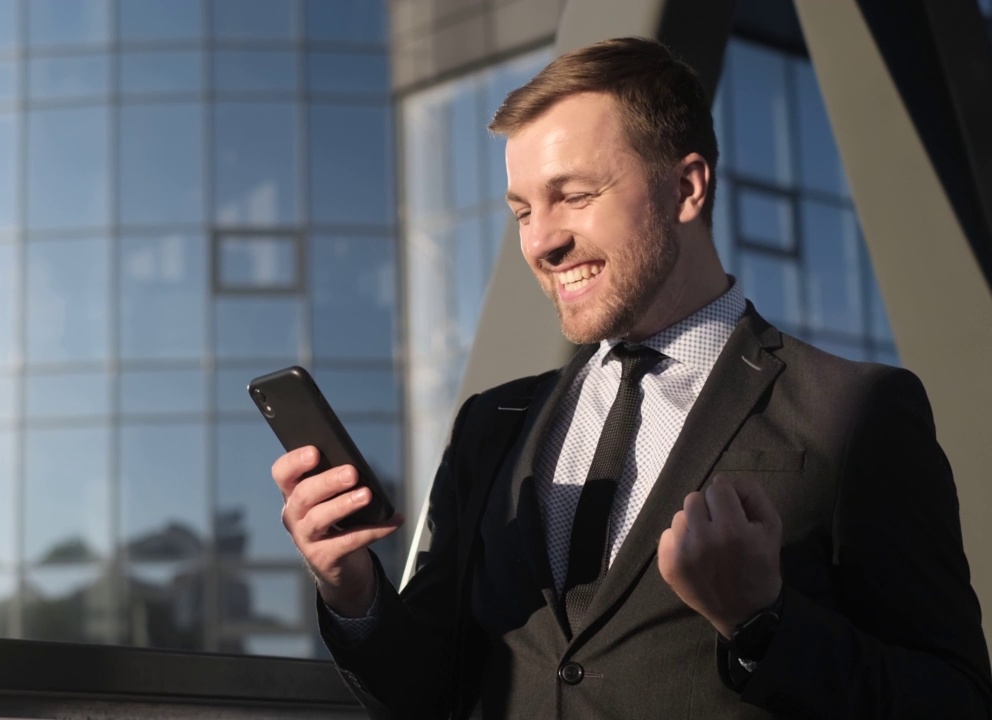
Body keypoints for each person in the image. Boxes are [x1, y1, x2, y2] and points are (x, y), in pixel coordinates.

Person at [271, 37, 992, 719]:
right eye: (523, 210)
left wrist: (763, 622)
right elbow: (428, 694)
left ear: (686, 187)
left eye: (574, 196)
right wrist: (353, 588)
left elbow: (953, 701)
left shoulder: (853, 409)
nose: (542, 240)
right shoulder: (492, 426)